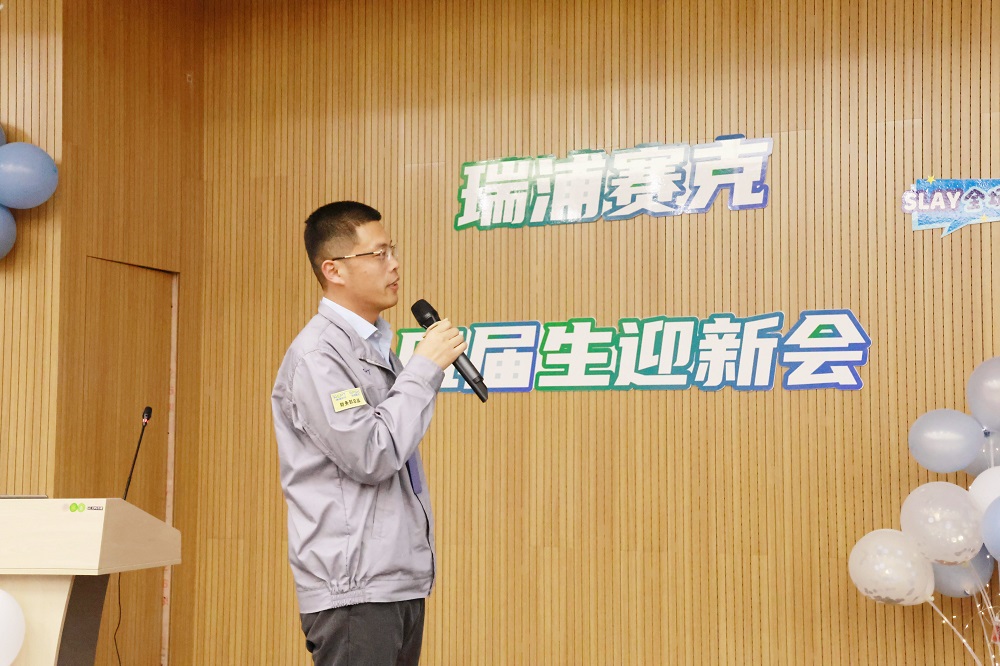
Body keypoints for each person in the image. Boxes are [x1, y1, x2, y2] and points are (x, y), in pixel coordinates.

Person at [271, 201, 467, 665]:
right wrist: (423, 368)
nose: (394, 264)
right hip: (353, 591)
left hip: (395, 581)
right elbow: (372, 454)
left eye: (392, 250)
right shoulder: (319, 357)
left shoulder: (375, 345)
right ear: (334, 270)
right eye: (378, 254)